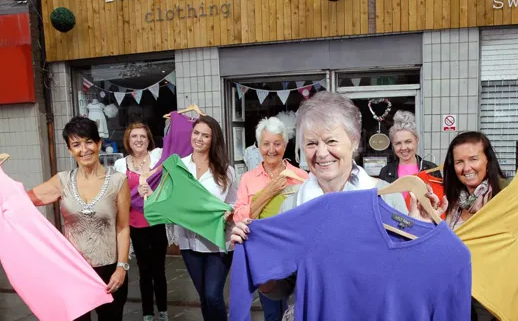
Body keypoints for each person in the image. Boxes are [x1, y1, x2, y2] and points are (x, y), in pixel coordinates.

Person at [230, 92, 445, 313]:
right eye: (312, 143)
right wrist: (255, 260)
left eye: (331, 141)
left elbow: (409, 274)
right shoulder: (293, 205)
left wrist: (421, 234)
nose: (322, 153)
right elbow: (283, 287)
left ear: (354, 141)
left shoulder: (385, 196)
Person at [27, 116, 131, 320]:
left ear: (99, 143)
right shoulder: (62, 181)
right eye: (76, 144)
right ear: (69, 149)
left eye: (89, 141)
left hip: (109, 271)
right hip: (73, 272)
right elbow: (20, 199)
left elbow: (123, 228)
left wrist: (121, 267)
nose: (84, 149)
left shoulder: (118, 181)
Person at [233, 117, 308, 321]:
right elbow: (239, 217)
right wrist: (269, 192)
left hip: (296, 255)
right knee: (272, 312)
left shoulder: (302, 177)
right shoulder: (248, 179)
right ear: (258, 147)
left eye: (277, 143)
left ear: (285, 145)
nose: (271, 149)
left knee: (300, 307)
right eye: (266, 144)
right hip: (264, 256)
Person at [175, 116, 237, 321]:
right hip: (188, 241)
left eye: (205, 135)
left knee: (213, 295)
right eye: (196, 133)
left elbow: (236, 203)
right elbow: (171, 198)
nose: (199, 138)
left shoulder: (226, 171)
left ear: (214, 139)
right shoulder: (179, 167)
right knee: (203, 297)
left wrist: (230, 212)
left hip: (217, 242)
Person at [113, 122, 168, 321]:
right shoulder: (120, 165)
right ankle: (147, 313)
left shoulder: (158, 156)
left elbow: (168, 184)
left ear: (148, 140)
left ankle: (163, 311)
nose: (138, 140)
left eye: (142, 136)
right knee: (144, 271)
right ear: (128, 140)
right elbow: (117, 195)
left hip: (156, 221)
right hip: (135, 224)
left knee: (159, 270)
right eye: (134, 136)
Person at [443, 131, 511, 231]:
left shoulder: (505, 194)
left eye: (473, 159)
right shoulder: (452, 202)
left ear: (488, 160)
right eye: (459, 162)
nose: (466, 168)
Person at [379, 110, 440, 184]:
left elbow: (439, 195)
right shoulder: (385, 171)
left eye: (408, 141)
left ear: (416, 140)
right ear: (393, 145)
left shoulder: (432, 169)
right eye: (398, 143)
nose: (403, 147)